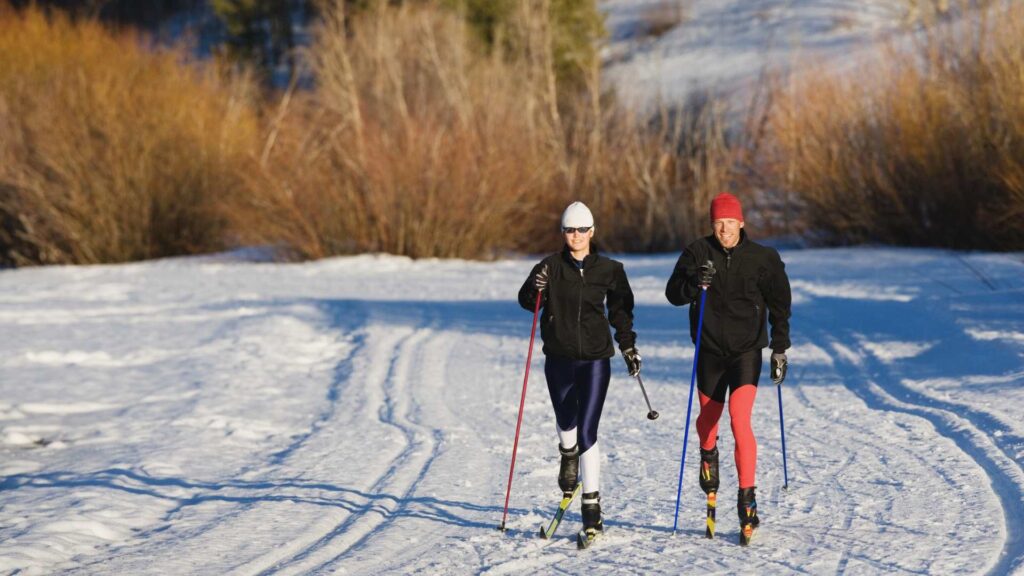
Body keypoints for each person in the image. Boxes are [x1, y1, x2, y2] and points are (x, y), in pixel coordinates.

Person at [664, 192, 792, 544]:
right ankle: (708, 452)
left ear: (741, 222)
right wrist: (695, 283)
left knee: (740, 419)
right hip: (709, 351)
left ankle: (747, 501)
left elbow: (781, 305)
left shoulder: (763, 258)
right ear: (712, 225)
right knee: (708, 420)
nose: (724, 230)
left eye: (730, 223)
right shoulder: (696, 253)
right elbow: (672, 294)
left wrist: (779, 349)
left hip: (746, 352)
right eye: (718, 223)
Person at [518, 201, 640, 540]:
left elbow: (621, 312)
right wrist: (536, 286)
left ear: (592, 232)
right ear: (563, 233)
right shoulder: (550, 266)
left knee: (588, 432)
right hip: (559, 358)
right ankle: (566, 453)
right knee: (566, 422)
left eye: (582, 229)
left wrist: (628, 345)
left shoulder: (610, 270)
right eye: (570, 230)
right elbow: (528, 302)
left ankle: (592, 509)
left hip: (596, 360)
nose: (576, 236)